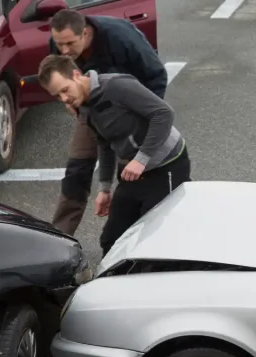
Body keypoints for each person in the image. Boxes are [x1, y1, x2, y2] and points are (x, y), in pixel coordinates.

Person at [37, 54, 191, 255]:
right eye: (57, 96)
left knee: (153, 237)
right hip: (133, 172)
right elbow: (105, 141)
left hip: (166, 164)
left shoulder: (115, 86)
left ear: (76, 75)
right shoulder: (83, 105)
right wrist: (105, 188)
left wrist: (141, 159)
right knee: (112, 239)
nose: (64, 99)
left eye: (65, 90)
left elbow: (164, 113)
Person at [46, 10, 168, 235]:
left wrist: (142, 122)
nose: (64, 51)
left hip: (130, 110)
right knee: (76, 171)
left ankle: (144, 237)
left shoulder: (120, 37)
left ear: (85, 33)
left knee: (134, 176)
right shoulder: (59, 44)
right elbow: (58, 76)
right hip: (90, 108)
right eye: (59, 44)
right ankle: (60, 238)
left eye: (70, 44)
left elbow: (157, 75)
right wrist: (70, 102)